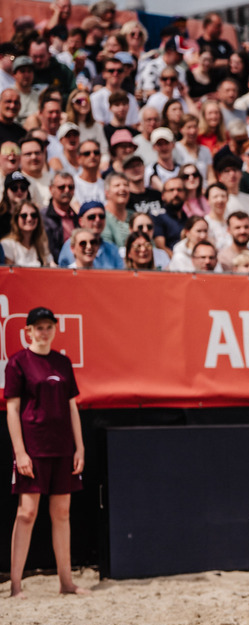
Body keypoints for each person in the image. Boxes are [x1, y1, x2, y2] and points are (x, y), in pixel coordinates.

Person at [6, 306, 89, 598]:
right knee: (27, 513)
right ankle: (16, 586)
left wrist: (79, 447)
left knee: (62, 513)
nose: (43, 332)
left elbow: (72, 406)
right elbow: (12, 409)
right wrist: (20, 452)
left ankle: (66, 583)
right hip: (33, 447)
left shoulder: (62, 362)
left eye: (48, 326)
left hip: (63, 447)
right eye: (38, 327)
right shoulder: (18, 362)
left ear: (55, 329)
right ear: (28, 331)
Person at [57, 202, 123, 268]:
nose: (97, 220)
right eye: (92, 217)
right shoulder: (70, 245)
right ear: (81, 221)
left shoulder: (112, 249)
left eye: (101, 216)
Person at [3, 200, 54, 266]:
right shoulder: (8, 245)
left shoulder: (42, 246)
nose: (29, 219)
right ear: (16, 219)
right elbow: (8, 273)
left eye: (33, 215)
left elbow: (54, 268)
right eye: (24, 216)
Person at [42, 171, 77, 255]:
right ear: (51, 189)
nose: (67, 190)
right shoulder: (42, 217)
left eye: (71, 187)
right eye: (61, 187)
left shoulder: (77, 217)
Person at [153, 176, 188, 255]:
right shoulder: (157, 216)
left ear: (185, 194)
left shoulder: (188, 218)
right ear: (163, 196)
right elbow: (160, 246)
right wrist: (177, 261)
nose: (175, 194)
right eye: (171, 190)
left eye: (179, 190)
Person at [100, 172, 131, 247]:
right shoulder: (100, 217)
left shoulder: (134, 216)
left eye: (126, 185)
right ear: (107, 193)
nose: (122, 188)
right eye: (117, 185)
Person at [72, 138, 105, 206]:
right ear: (78, 158)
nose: (92, 156)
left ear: (100, 156)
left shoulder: (105, 185)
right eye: (87, 153)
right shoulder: (71, 184)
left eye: (96, 153)